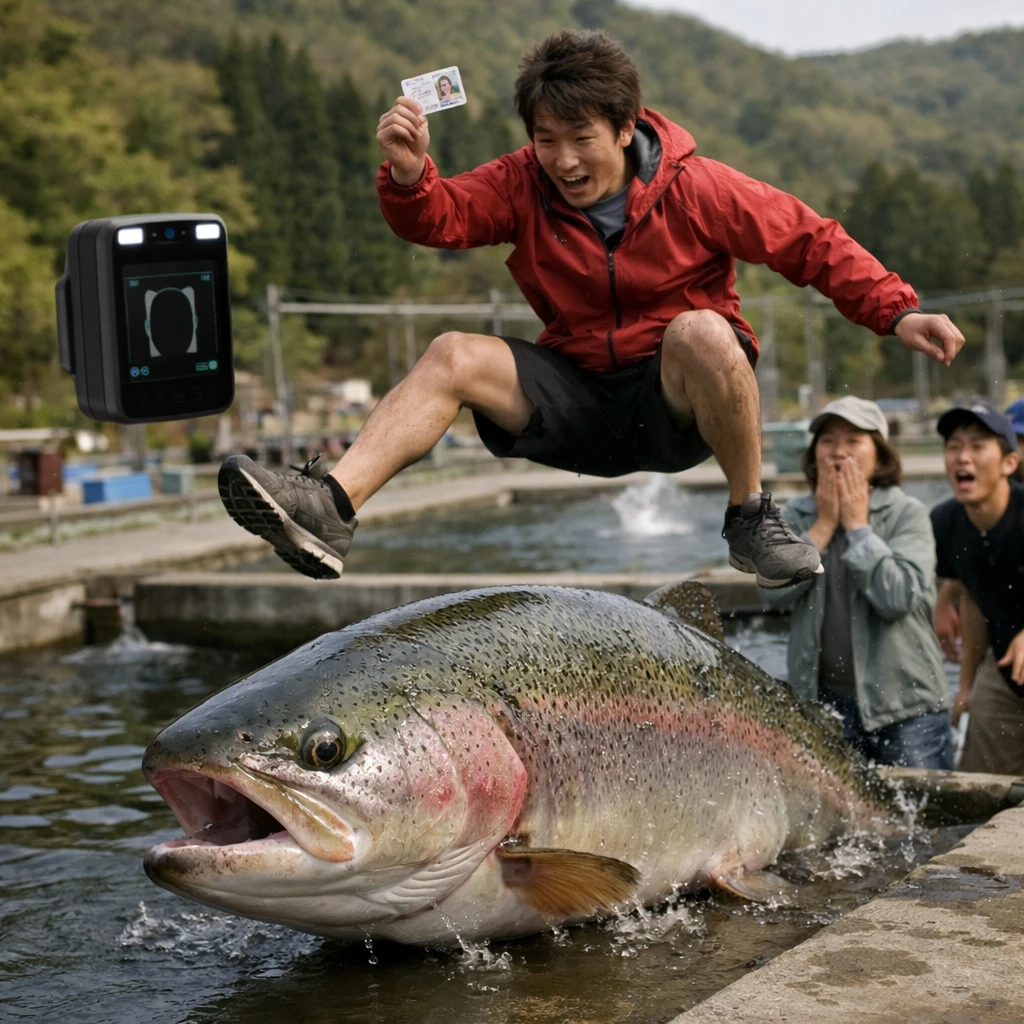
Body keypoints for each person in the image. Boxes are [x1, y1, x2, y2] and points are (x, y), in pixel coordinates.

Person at [218, 30, 965, 585]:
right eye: (546, 140)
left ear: (625, 124)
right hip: (577, 398)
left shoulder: (698, 186)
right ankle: (329, 510)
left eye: (581, 140)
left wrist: (898, 311)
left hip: (672, 406)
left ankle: (751, 518)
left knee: (704, 329)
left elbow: (810, 241)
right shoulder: (521, 183)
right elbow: (441, 218)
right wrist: (410, 175)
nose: (564, 161)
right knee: (451, 352)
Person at [758, 397, 953, 768]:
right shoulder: (794, 515)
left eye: (853, 441)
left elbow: (897, 596)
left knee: (921, 822)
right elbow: (770, 592)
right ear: (813, 454)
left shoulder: (906, 514)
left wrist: (858, 527)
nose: (839, 452)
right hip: (823, 706)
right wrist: (823, 527)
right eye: (828, 440)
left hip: (907, 707)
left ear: (879, 457)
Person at [930, 403, 1024, 775]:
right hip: (1004, 669)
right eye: (954, 446)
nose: (962, 457)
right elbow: (971, 599)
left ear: (1009, 464)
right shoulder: (946, 521)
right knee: (980, 785)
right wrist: (965, 686)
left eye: (978, 445)